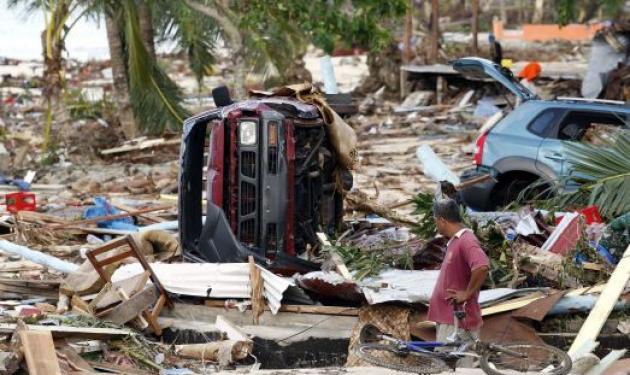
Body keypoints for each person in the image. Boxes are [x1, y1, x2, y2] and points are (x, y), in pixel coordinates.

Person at [428, 198, 490, 367]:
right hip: (449, 319)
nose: (436, 225)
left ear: (442, 219)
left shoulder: (466, 241)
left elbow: (482, 266)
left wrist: (467, 293)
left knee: (449, 368)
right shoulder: (455, 241)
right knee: (444, 366)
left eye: (435, 220)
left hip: (457, 320)